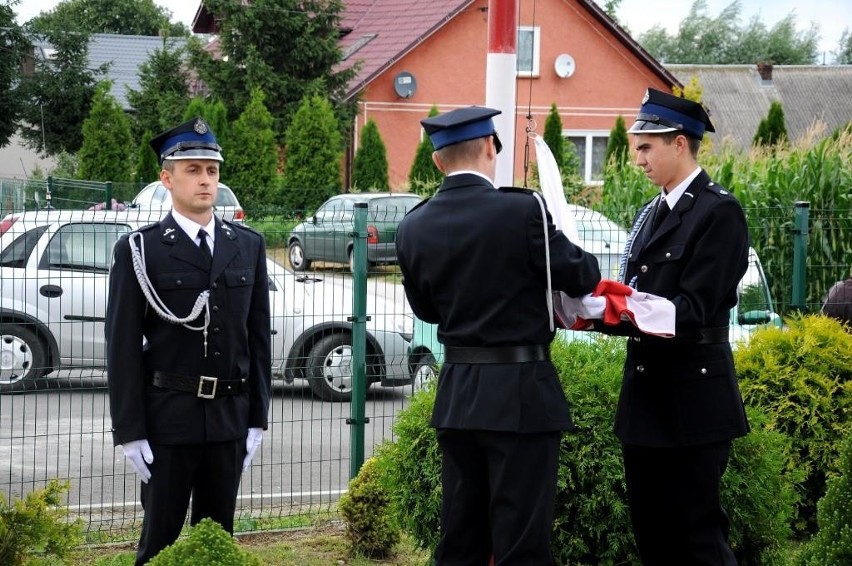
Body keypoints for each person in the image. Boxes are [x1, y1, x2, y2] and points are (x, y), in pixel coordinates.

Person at [395, 106, 601, 564]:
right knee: (521, 544)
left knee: (461, 539)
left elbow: (426, 309)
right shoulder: (523, 208)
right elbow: (583, 274)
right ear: (491, 147)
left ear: (436, 162)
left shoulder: (412, 225)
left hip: (458, 394)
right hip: (522, 394)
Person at [105, 117, 272, 565]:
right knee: (158, 543)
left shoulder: (248, 246)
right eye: (193, 169)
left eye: (212, 171)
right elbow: (121, 348)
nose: (204, 180)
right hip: (168, 421)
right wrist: (129, 430)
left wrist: (258, 417)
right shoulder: (141, 249)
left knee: (216, 542)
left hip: (228, 420)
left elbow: (257, 340)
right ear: (167, 178)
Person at [596, 88, 751, 564]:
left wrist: (621, 307)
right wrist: (596, 310)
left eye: (646, 147)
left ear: (679, 143)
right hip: (645, 400)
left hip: (693, 401)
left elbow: (693, 309)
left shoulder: (718, 212)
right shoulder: (651, 211)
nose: (637, 159)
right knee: (652, 536)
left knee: (697, 538)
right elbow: (637, 294)